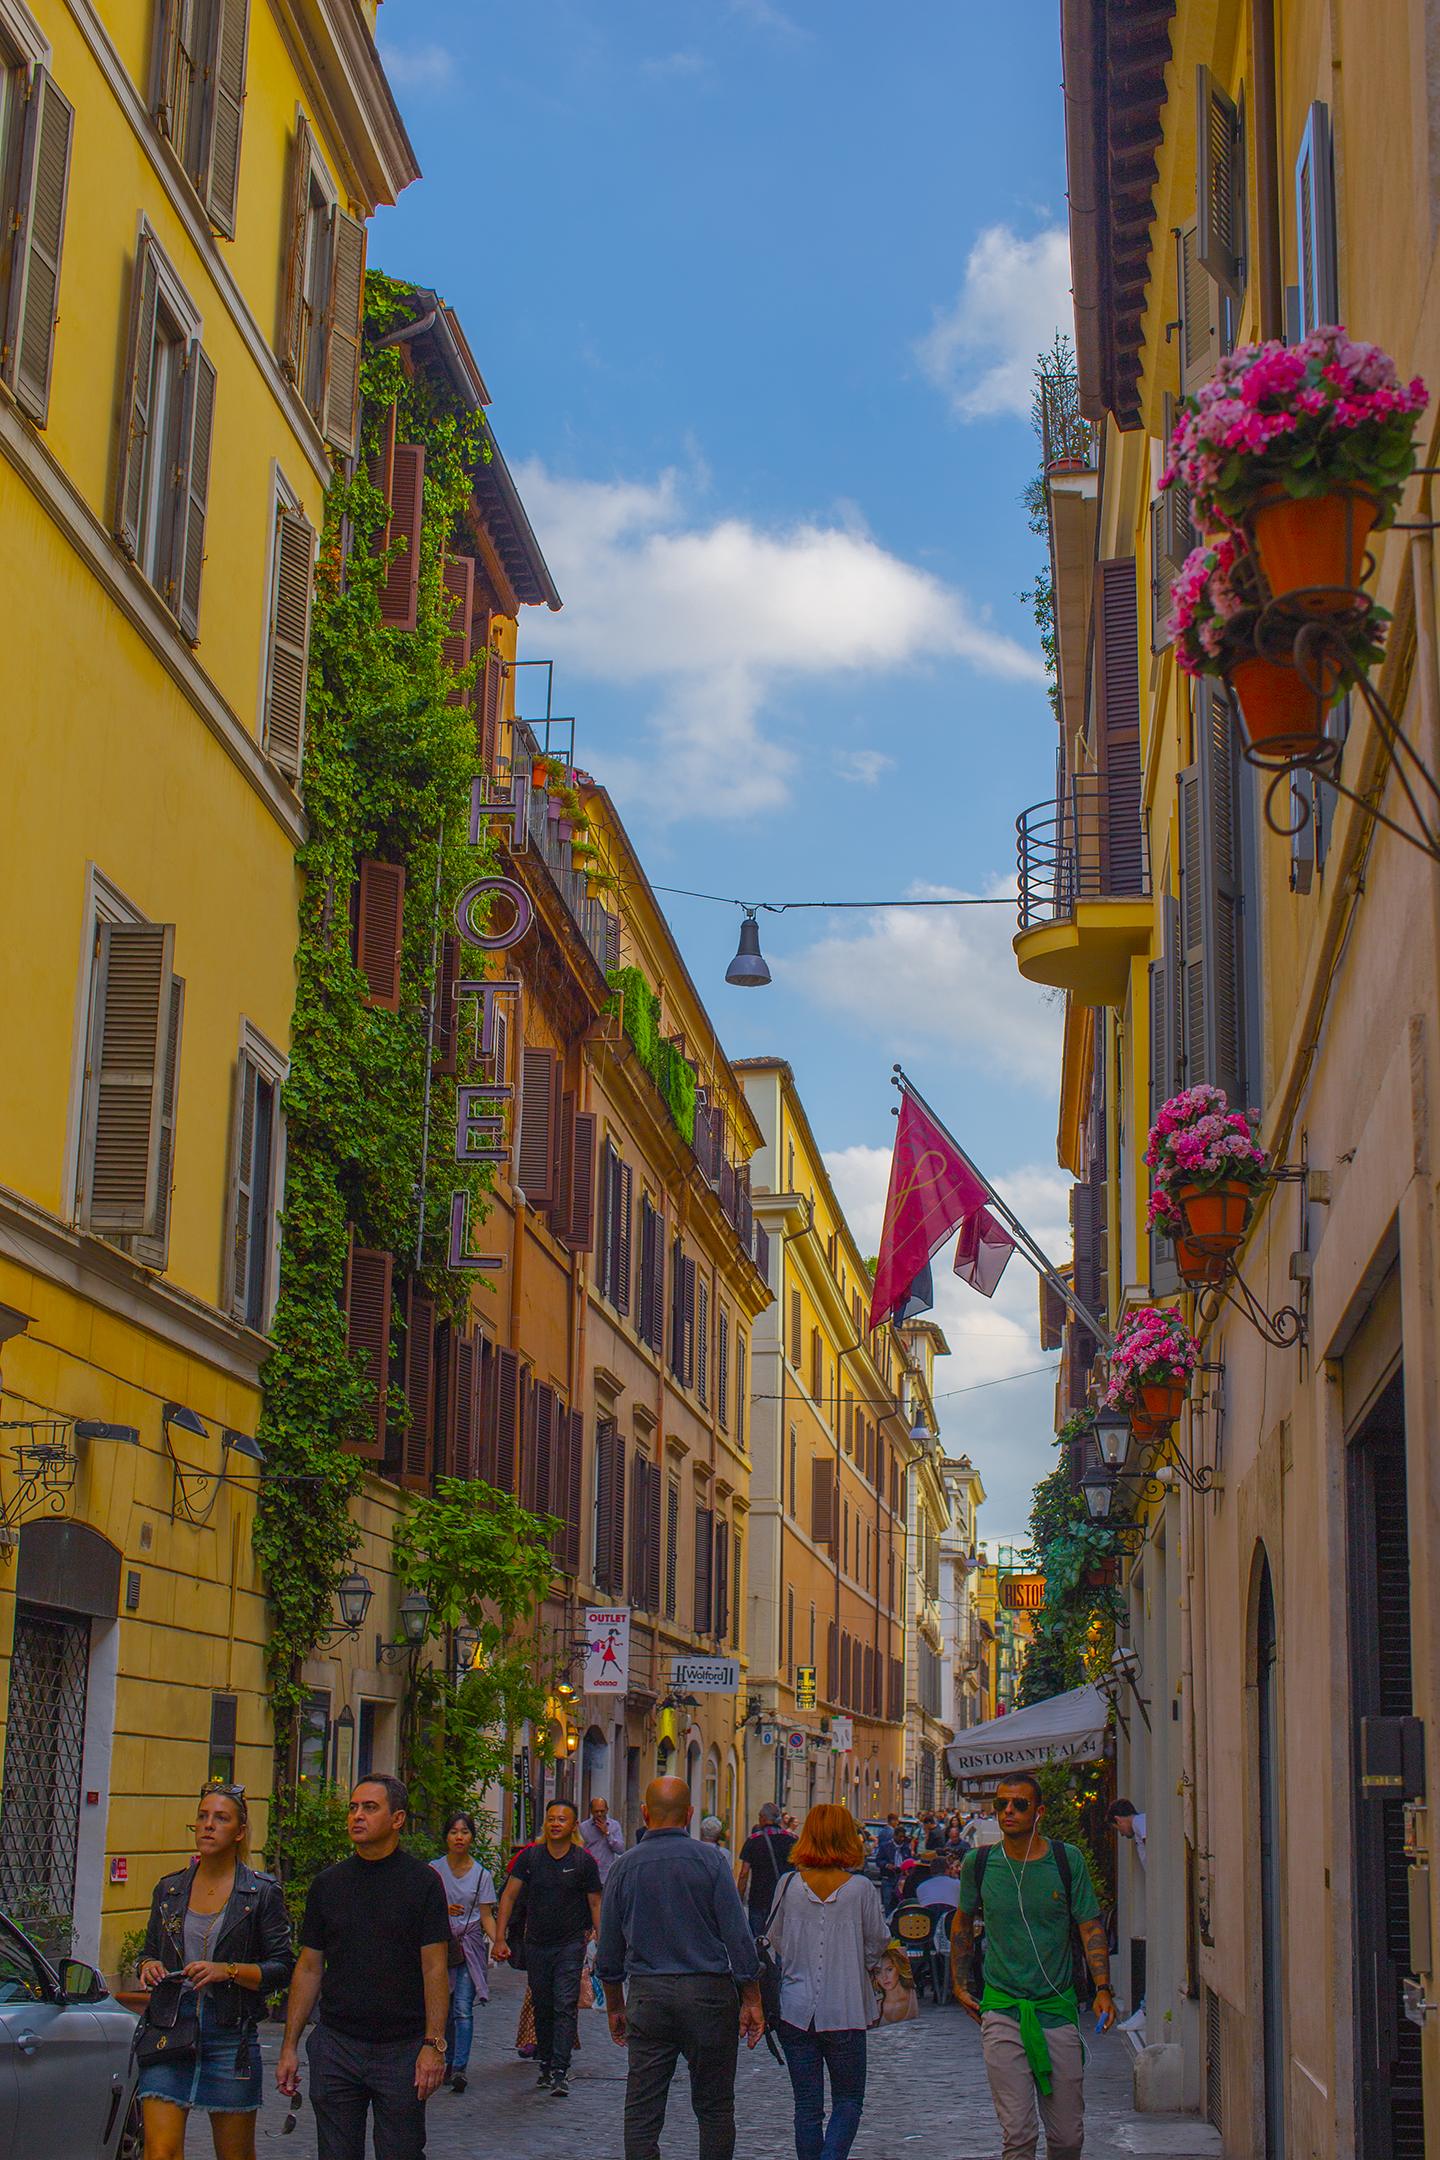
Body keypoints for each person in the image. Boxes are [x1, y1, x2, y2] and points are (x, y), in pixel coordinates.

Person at [277, 1774, 451, 2160]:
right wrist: (290, 2047)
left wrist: (433, 2045)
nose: (357, 1815)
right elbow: (309, 1968)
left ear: (397, 1818)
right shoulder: (329, 1884)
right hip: (338, 2044)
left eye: (370, 1808)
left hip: (402, 2049)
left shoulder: (422, 1883)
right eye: (353, 1807)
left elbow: (434, 1969)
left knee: (401, 2152)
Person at [596, 1775, 763, 2160]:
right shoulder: (711, 1860)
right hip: (708, 1996)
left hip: (649, 1997)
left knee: (642, 2111)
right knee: (715, 2107)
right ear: (689, 1815)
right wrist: (751, 1997)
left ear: (644, 1814)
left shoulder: (623, 1868)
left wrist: (616, 2005)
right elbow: (737, 1936)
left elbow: (608, 1951)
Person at [952, 1773, 1115, 2160]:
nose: (1008, 1811)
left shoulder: (1066, 1859)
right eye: (1001, 1804)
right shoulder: (980, 1863)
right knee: (1019, 2136)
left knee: (1067, 2138)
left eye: (1019, 1804)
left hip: (1056, 2010)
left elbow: (1089, 1926)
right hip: (1002, 2009)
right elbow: (962, 1923)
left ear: (1038, 1812)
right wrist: (960, 1985)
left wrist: (1103, 1987)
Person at [136, 1781, 293, 2159]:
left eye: (220, 1818)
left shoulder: (261, 1893)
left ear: (239, 1831)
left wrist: (230, 1970)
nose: (208, 1825)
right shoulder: (169, 1890)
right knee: (160, 2152)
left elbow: (283, 1967)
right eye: (202, 1817)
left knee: (234, 2155)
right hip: (169, 2030)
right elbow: (146, 1953)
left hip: (230, 2036)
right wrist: (149, 1966)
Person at [763, 1804, 889, 2160]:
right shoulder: (861, 1889)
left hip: (795, 2009)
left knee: (807, 2108)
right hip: (846, 2008)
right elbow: (878, 1941)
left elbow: (776, 1942)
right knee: (848, 2102)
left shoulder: (787, 1885)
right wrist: (854, 1960)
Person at [492, 1800, 602, 2098]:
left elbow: (596, 1902)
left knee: (564, 2003)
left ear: (573, 1826)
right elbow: (509, 1897)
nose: (556, 1824)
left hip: (570, 1944)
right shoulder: (530, 1858)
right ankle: (546, 2061)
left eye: (562, 1819)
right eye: (551, 1819)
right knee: (542, 2003)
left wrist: (601, 1940)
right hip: (536, 1943)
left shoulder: (583, 1861)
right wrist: (500, 1938)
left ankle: (560, 2070)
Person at [429, 1810, 496, 2096]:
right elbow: (421, 1909)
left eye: (465, 1832)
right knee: (442, 2008)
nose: (459, 1837)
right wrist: (442, 1910)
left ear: (472, 1837)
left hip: (469, 1948)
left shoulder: (482, 1875)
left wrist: (500, 1941)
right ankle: (445, 2060)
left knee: (462, 2008)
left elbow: (486, 1916)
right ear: (446, 1836)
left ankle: (459, 2068)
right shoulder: (433, 1870)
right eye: (454, 1832)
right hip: (440, 1947)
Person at [735, 1800, 795, 1937]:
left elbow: (744, 1873)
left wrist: (739, 1897)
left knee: (757, 1938)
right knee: (783, 1938)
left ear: (763, 1817)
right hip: (785, 1896)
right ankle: (780, 1959)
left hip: (759, 1896)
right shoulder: (792, 1840)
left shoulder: (753, 1840)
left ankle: (759, 1957)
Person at [582, 1794, 627, 1883]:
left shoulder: (614, 1825)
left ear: (607, 1810)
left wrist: (607, 1833)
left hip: (607, 1874)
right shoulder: (583, 1827)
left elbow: (621, 1849)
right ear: (591, 1811)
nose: (599, 1815)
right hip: (588, 1873)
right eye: (596, 1812)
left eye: (602, 1811)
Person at [872, 1942, 919, 2025]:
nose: (884, 1977)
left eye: (889, 1970)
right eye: (878, 1973)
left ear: (898, 1968)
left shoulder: (913, 1998)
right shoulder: (877, 2006)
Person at [1108, 1798, 1147, 1868]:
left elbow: (1152, 1844)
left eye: (1118, 1828)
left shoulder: (1138, 1821)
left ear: (1118, 1820)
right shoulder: (1140, 1822)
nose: (1121, 1834)